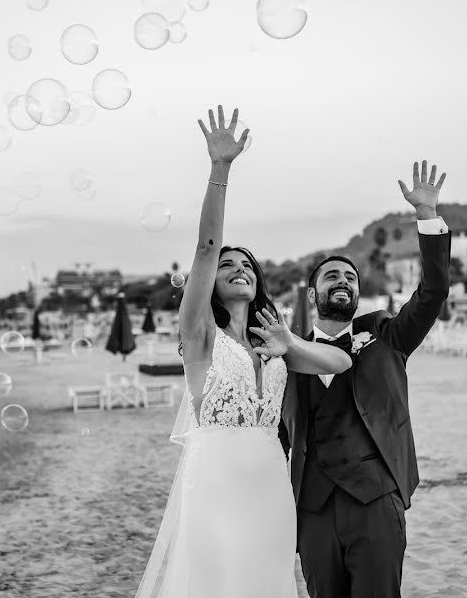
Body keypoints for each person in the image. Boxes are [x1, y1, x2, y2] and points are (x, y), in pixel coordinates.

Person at [134, 105, 352, 598]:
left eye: (248, 265)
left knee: (267, 583)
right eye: (229, 265)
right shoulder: (201, 334)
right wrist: (221, 167)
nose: (239, 268)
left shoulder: (271, 344)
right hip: (215, 478)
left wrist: (289, 344)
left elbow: (341, 363)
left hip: (271, 481)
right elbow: (206, 247)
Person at [279, 161, 451, 597]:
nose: (343, 281)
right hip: (312, 510)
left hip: (375, 504)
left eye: (350, 277)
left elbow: (432, 293)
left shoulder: (388, 336)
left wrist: (427, 216)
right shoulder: (284, 355)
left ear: (357, 293)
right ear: (314, 293)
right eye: (331, 276)